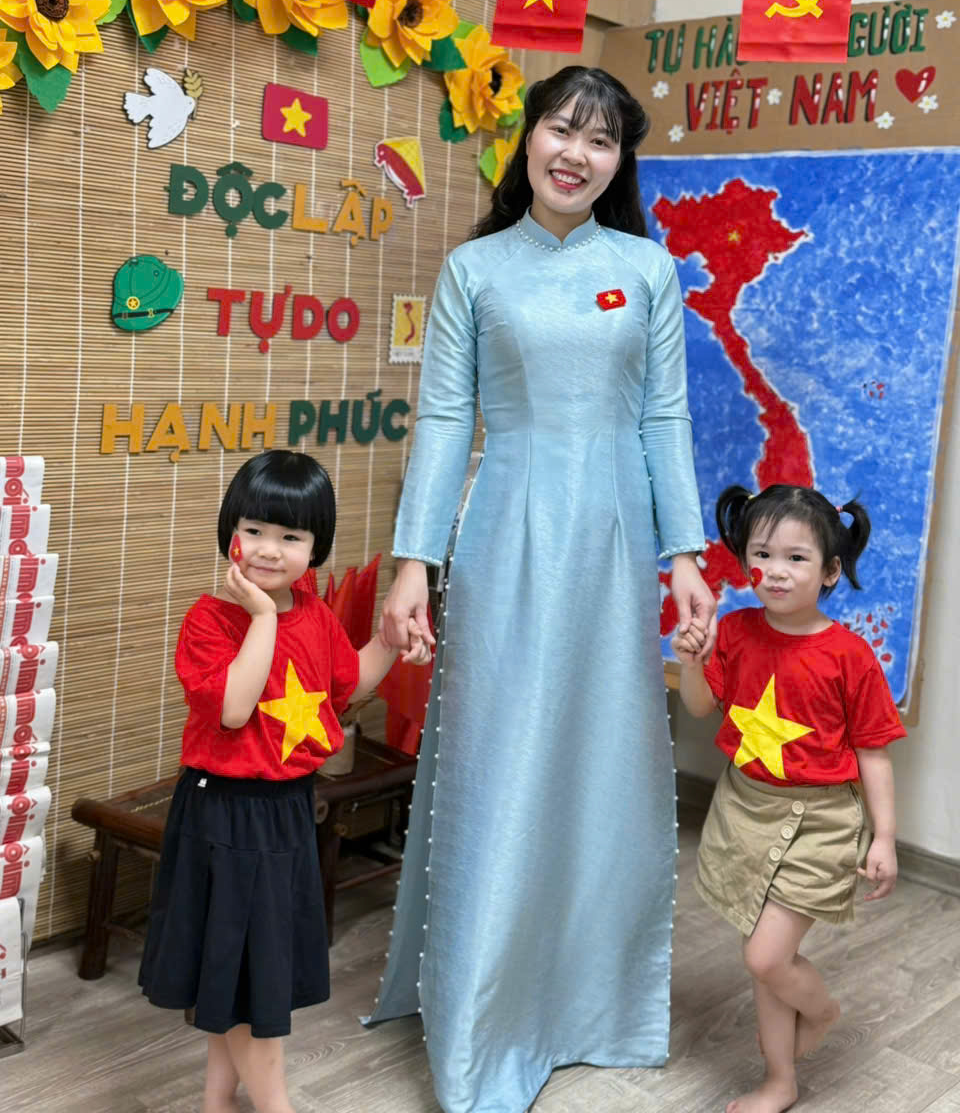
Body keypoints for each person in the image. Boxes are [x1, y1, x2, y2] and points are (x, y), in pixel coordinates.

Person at [367, 66, 717, 1112]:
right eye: (563, 129)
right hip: (506, 531)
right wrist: (415, 562)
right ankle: (484, 1019)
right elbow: (443, 420)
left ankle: (590, 1003)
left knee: (602, 761)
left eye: (601, 141)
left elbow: (664, 416)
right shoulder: (474, 270)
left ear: (619, 162)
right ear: (527, 139)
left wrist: (685, 554)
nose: (577, 153)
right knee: (498, 759)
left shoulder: (646, 268)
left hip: (614, 539)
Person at [138, 449, 431, 1113]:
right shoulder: (209, 621)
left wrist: (391, 638)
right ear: (230, 534)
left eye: (291, 536)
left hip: (286, 809)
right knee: (250, 986)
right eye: (255, 530)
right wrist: (264, 618)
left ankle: (217, 1103)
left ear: (315, 547)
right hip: (224, 813)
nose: (269, 549)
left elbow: (347, 683)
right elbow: (234, 708)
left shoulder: (315, 616)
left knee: (243, 974)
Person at [672, 483, 907, 1113]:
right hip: (745, 811)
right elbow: (701, 706)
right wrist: (692, 661)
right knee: (769, 960)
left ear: (830, 571)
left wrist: (884, 837)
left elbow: (874, 752)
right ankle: (780, 1081)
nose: (775, 570)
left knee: (765, 956)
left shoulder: (850, 656)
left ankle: (822, 1012)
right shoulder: (736, 631)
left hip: (822, 824)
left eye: (796, 558)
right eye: (763, 554)